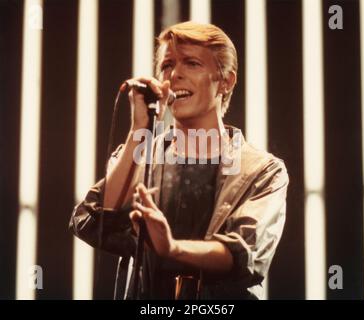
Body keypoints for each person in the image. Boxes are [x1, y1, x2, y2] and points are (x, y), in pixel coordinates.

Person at [69, 21, 289, 300]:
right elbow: (95, 220)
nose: (174, 75)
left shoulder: (262, 170)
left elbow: (244, 253)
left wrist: (171, 248)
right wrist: (140, 129)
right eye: (167, 65)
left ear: (226, 80)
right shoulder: (140, 153)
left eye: (192, 63)